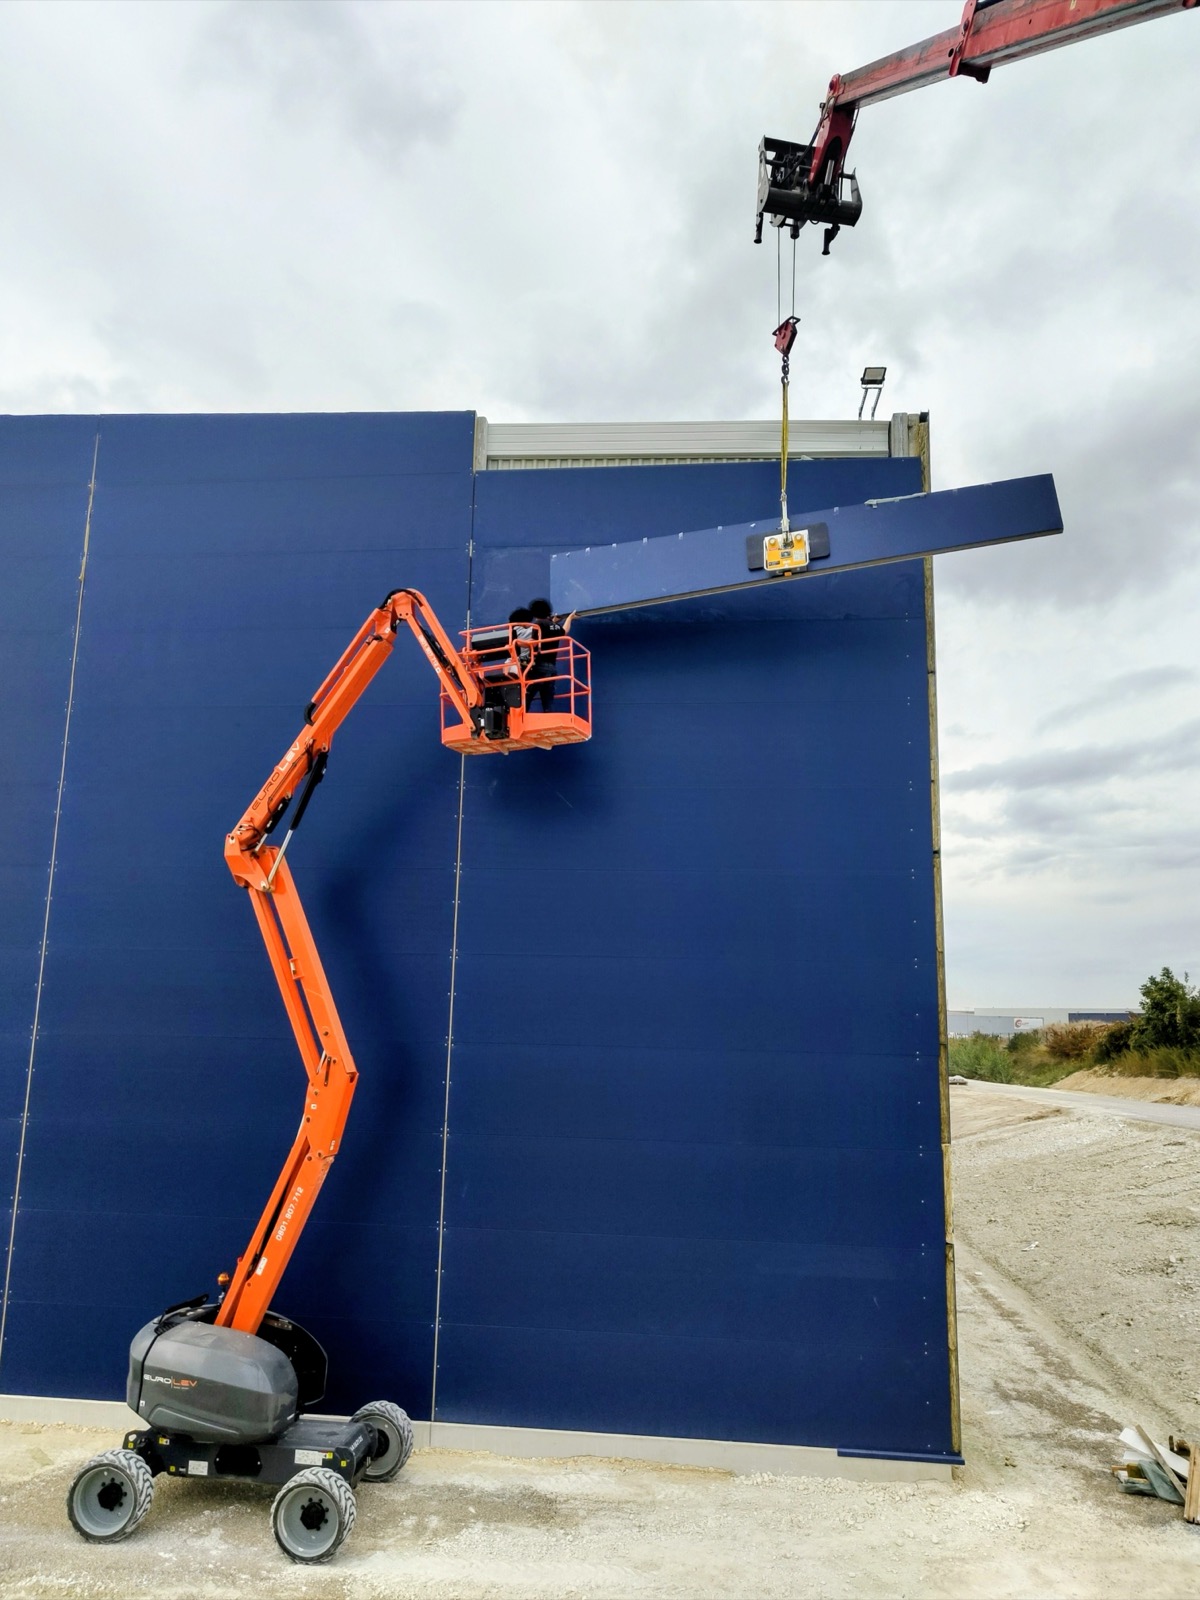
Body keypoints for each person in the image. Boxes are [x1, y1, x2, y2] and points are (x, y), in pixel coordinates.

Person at [526, 597, 564, 712]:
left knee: (527, 695)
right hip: (552, 668)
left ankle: (521, 717)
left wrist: (518, 644)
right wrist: (570, 618)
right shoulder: (555, 626)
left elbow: (533, 644)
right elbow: (564, 632)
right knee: (547, 701)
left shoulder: (538, 624)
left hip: (540, 666)